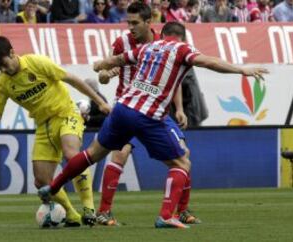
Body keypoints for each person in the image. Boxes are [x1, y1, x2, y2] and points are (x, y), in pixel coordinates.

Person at [38, 21, 268, 229]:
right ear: (182, 38)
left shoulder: (147, 48)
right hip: (147, 115)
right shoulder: (181, 49)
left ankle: (54, 186)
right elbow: (209, 61)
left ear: (163, 35)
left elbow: (118, 60)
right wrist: (241, 70)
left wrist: (100, 64)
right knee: (181, 162)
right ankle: (167, 215)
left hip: (122, 108)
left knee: (91, 154)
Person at [0, 36, 111, 227]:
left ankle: (89, 209)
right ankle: (71, 214)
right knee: (41, 181)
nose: (3, 70)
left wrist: (101, 102)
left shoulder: (37, 63)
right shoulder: (3, 83)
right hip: (43, 126)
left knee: (72, 154)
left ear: (12, 53)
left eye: (3, 64)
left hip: (66, 113)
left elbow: (72, 79)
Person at [95, 2, 199, 227]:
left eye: (135, 22)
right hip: (129, 104)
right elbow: (108, 69)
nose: (132, 27)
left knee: (184, 153)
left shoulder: (161, 44)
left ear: (147, 23)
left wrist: (179, 109)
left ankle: (181, 211)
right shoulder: (121, 43)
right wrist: (105, 75)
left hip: (156, 109)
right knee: (120, 154)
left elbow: (175, 79)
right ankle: (104, 212)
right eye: (129, 22)